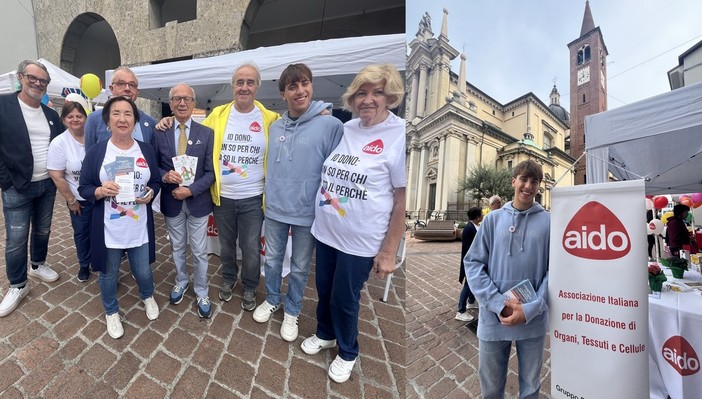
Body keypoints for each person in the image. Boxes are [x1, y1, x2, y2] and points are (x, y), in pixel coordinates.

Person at [302, 64, 405, 383]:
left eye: (377, 92)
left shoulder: (400, 134)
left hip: (361, 240)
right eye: (361, 92)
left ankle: (348, 350)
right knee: (324, 288)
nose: (368, 100)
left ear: (390, 97)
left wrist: (389, 252)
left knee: (344, 298)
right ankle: (325, 333)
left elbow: (402, 200)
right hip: (327, 231)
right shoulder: (347, 128)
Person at [253, 63, 343, 344]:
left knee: (301, 266)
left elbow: (337, 173)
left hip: (308, 212)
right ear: (283, 94)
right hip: (277, 208)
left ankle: (292, 310)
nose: (300, 90)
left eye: (304, 83)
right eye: (293, 86)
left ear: (312, 86)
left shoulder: (331, 125)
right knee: (273, 260)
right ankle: (272, 299)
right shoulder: (275, 126)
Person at [464, 159, 550, 398]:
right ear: (514, 181)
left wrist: (531, 308)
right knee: (490, 387)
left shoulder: (549, 221)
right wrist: (498, 304)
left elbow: (554, 272)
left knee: (531, 387)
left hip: (532, 319)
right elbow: (473, 264)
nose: (528, 186)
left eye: (534, 181)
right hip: (494, 318)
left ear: (539, 186)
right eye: (524, 179)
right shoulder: (492, 220)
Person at [78, 96, 161, 339]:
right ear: (107, 121)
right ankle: (111, 311)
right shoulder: (96, 152)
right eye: (116, 113)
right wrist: (100, 191)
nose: (122, 118)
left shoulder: (145, 149)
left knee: (143, 270)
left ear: (135, 121)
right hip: (108, 228)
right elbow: (83, 187)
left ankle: (147, 295)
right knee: (108, 273)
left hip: (138, 225)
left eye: (128, 114)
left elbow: (154, 180)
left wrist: (151, 192)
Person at [0, 60, 65, 317]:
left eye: (43, 81)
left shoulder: (50, 115)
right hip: (17, 186)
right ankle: (18, 285)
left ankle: (37, 265)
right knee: (16, 239)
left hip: (46, 185)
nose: (38, 83)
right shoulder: (4, 106)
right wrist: (5, 181)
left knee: (43, 229)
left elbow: (60, 146)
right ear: (21, 78)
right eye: (33, 78)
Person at [151, 84, 215, 318]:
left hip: (197, 202)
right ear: (170, 103)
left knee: (199, 251)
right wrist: (164, 176)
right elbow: (153, 165)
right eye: (177, 99)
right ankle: (181, 280)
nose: (182, 103)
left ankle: (202, 290)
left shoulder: (206, 133)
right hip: (171, 202)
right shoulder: (160, 133)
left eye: (187, 99)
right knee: (177, 247)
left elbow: (210, 173)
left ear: (194, 103)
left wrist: (191, 191)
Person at [47, 101, 92, 282]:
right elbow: (57, 175)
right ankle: (84, 265)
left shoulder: (93, 137)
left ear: (85, 118)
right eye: (70, 116)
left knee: (100, 232)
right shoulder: (59, 143)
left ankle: (101, 262)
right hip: (78, 199)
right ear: (64, 120)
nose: (75, 119)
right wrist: (71, 200)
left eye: (79, 116)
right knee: (81, 233)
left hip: (99, 196)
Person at [85, 66, 155, 150]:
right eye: (121, 84)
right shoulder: (94, 119)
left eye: (132, 85)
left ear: (137, 91)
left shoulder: (149, 122)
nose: (127, 89)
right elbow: (90, 155)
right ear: (111, 89)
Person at [456, 207, 482, 322]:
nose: (482, 215)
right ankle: (460, 311)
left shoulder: (473, 226)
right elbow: (469, 248)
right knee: (468, 284)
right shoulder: (469, 229)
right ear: (477, 217)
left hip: (473, 260)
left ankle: (471, 301)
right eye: (481, 214)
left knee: (472, 282)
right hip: (470, 261)